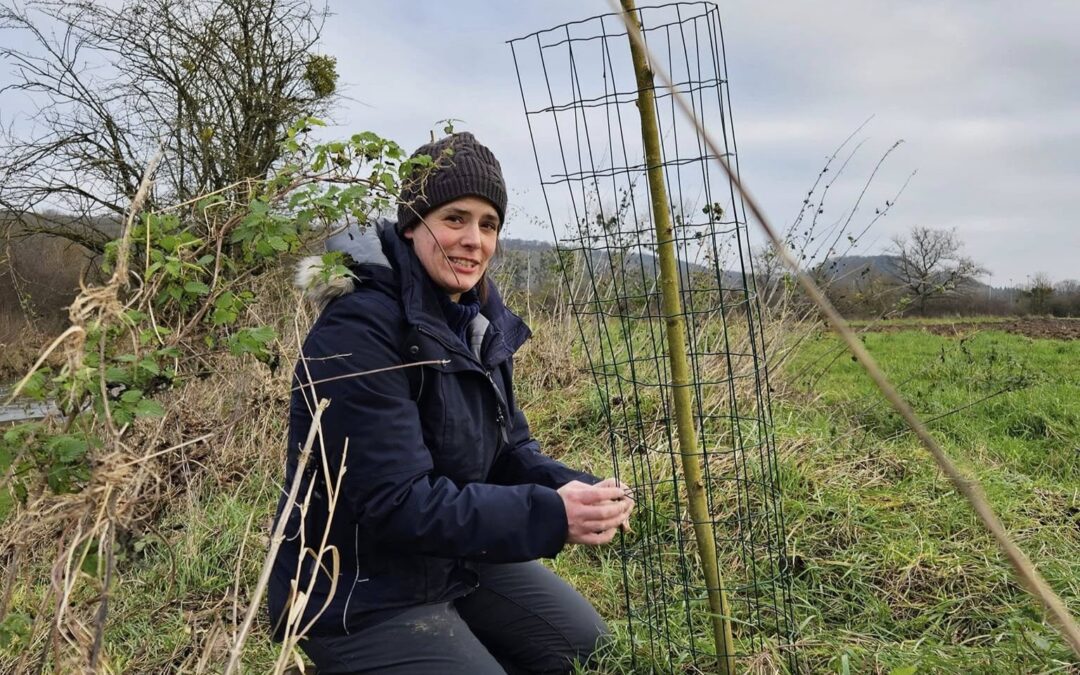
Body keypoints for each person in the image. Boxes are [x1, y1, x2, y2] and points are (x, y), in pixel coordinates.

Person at [268, 131, 634, 674]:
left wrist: (571, 489)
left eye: (488, 225)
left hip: (453, 558)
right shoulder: (359, 329)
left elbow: (509, 452)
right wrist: (551, 517)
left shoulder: (477, 322)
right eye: (455, 219)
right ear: (413, 225)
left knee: (591, 654)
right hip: (357, 588)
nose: (473, 240)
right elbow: (395, 502)